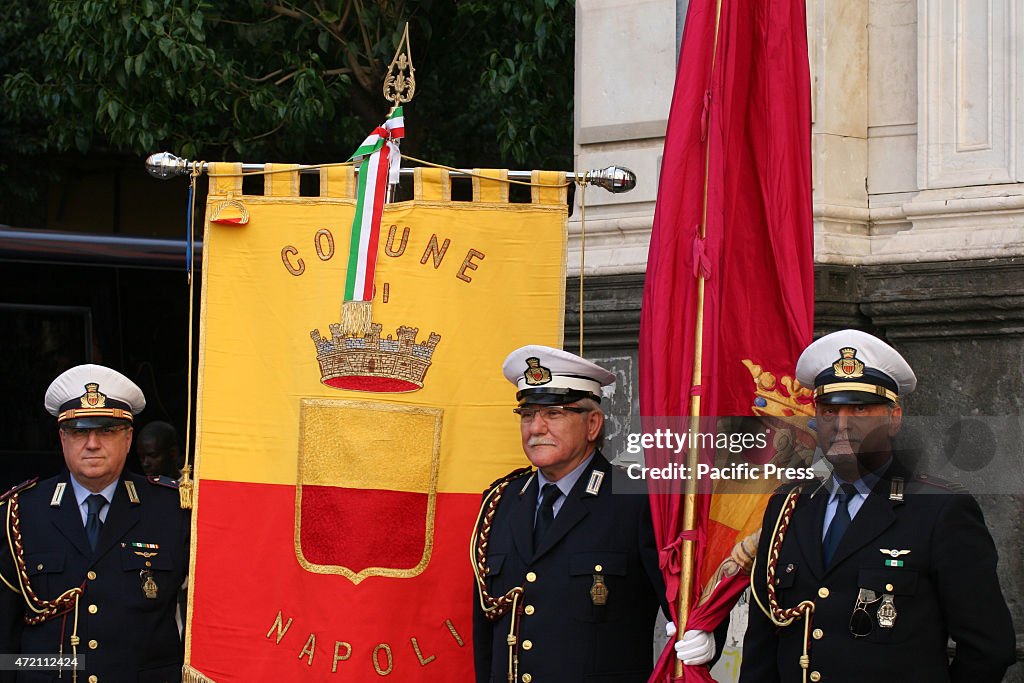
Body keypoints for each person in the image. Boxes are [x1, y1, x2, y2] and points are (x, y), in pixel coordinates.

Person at [740, 330, 1015, 683]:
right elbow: (762, 642)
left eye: (860, 408)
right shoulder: (788, 505)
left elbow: (989, 647)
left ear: (894, 417)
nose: (841, 424)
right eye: (829, 410)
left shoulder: (940, 511)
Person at [472, 345, 668, 683]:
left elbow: (691, 608)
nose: (536, 428)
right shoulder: (500, 502)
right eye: (528, 414)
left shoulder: (638, 499)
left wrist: (702, 639)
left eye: (554, 413)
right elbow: (486, 631)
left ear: (592, 424)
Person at [0, 364, 190, 683]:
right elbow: (6, 645)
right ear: (62, 438)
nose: (92, 443)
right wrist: (51, 670)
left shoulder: (174, 510)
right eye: (79, 432)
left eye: (106, 430)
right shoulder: (18, 512)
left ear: (128, 438)